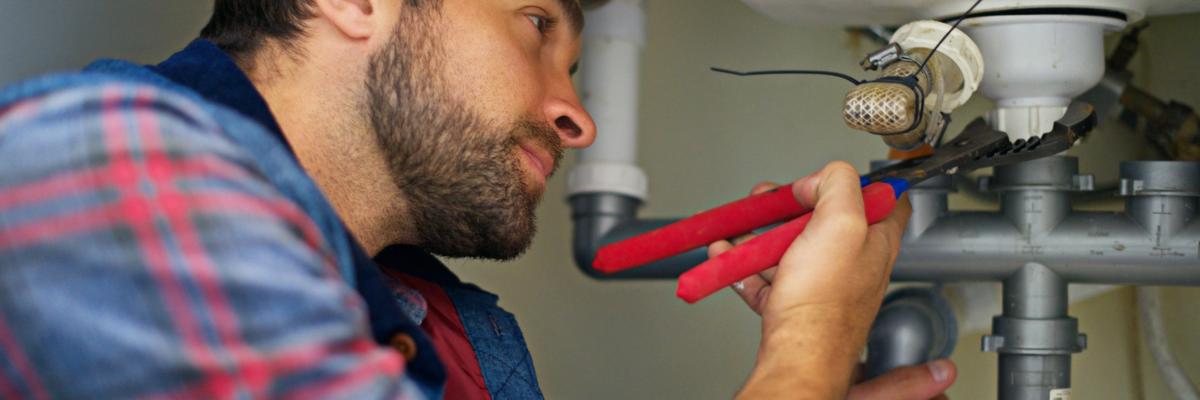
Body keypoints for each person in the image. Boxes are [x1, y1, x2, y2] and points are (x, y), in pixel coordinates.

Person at [0, 0, 957, 398]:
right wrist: (804, 356)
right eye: (534, 23)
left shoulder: (456, 335)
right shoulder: (102, 160)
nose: (577, 116)